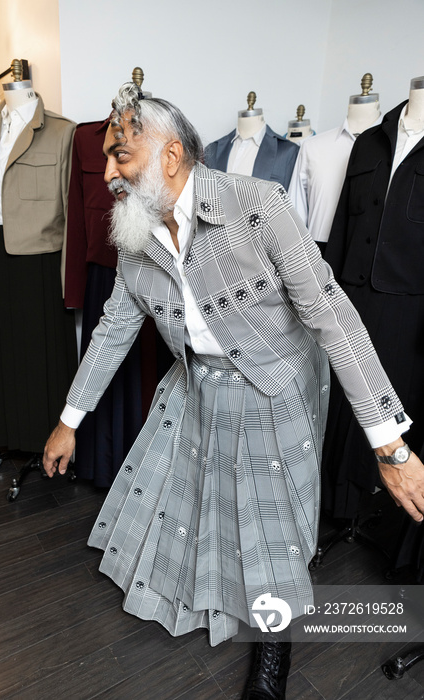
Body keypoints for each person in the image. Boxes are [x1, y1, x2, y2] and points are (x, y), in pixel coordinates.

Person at [43, 82, 424, 700]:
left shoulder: (258, 206)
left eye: (121, 156)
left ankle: (272, 659)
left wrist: (391, 446)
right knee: (205, 507)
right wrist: (70, 419)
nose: (109, 172)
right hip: (194, 388)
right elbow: (115, 327)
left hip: (275, 390)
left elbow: (332, 314)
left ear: (169, 156)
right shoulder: (137, 236)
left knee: (272, 537)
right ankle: (211, 597)